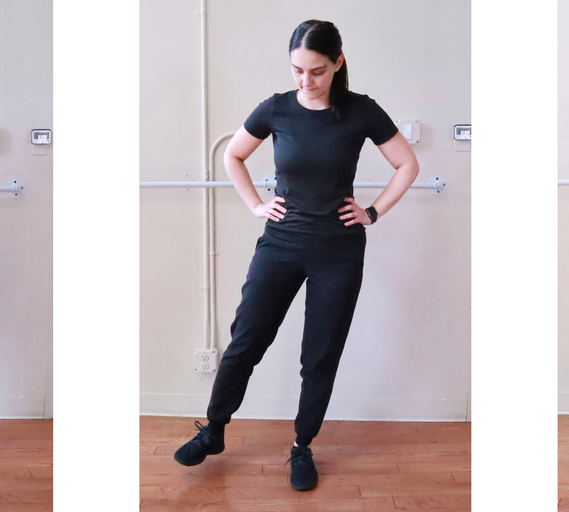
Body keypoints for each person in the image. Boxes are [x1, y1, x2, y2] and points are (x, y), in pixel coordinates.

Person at [172, 19, 420, 492]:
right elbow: (232, 156)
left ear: (338, 64)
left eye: (317, 71)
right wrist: (255, 205)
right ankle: (215, 430)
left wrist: (372, 211)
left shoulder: (361, 111)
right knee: (246, 341)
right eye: (298, 70)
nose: (306, 81)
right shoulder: (276, 108)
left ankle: (302, 446)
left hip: (338, 250)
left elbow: (407, 164)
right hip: (281, 244)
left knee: (320, 354)